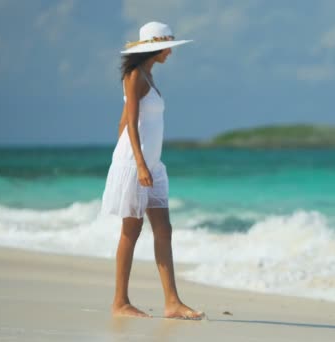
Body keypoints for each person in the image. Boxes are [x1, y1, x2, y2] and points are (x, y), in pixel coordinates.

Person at [100, 21, 204, 320]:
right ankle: (120, 302)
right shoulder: (135, 76)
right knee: (131, 230)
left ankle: (172, 302)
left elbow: (121, 122)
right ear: (155, 47)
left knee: (164, 229)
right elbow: (131, 124)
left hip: (152, 165)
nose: (171, 52)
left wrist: (148, 163)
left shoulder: (148, 75)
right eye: (168, 46)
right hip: (138, 165)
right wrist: (136, 164)